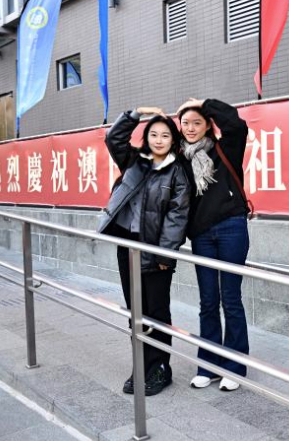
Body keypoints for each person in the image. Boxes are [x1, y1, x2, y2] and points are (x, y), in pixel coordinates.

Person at [98, 107, 191, 396]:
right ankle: (142, 366)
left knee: (157, 312)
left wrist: (165, 257)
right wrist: (135, 114)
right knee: (135, 310)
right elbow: (114, 138)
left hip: (154, 252)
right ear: (146, 137)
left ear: (173, 139)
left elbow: (177, 218)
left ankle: (160, 368)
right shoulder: (134, 162)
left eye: (165, 135)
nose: (159, 140)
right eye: (153, 134)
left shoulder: (178, 172)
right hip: (128, 246)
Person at [178, 98, 250, 392]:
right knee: (208, 301)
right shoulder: (180, 158)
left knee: (230, 299)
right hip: (202, 235)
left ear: (208, 124)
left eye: (197, 122)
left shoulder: (225, 148)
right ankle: (208, 365)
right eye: (185, 123)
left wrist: (204, 103)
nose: (191, 128)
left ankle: (235, 367)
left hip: (232, 227)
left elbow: (236, 123)